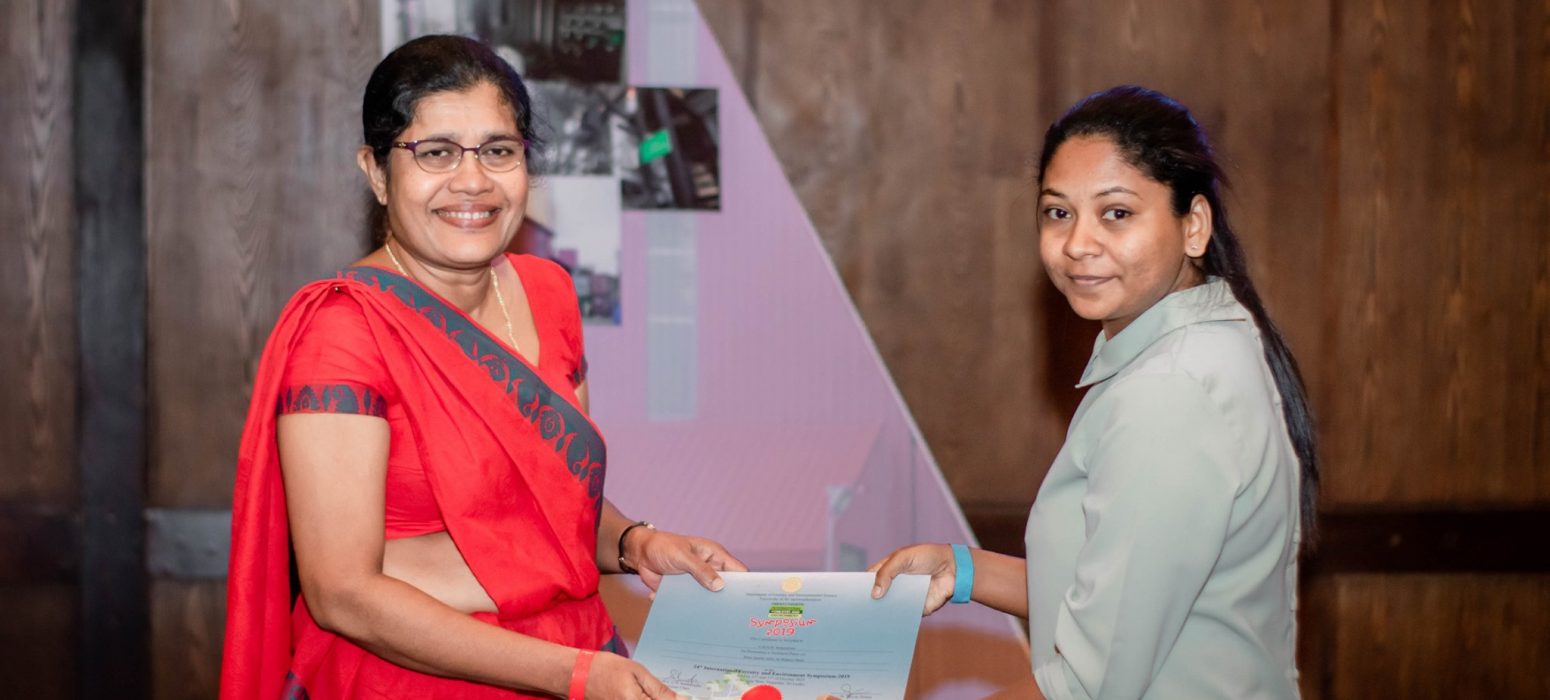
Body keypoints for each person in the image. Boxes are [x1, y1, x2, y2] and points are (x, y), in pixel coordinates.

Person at [221, 35, 745, 700]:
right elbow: (342, 593)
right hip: (420, 678)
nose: (473, 181)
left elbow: (552, 508)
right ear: (377, 171)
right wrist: (574, 674)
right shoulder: (344, 332)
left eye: (499, 151)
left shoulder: (550, 294)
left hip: (578, 649)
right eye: (436, 152)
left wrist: (636, 545)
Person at [870, 85, 1318, 700]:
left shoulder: (1170, 392)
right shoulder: (1198, 347)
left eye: (1117, 213)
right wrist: (962, 568)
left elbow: (1087, 684)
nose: (1078, 243)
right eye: (1058, 213)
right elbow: (1123, 593)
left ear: (1193, 226)